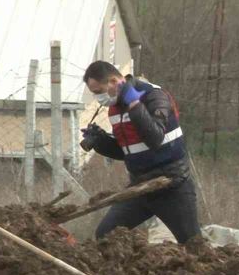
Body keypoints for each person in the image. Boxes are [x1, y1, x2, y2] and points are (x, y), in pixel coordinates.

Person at [80, 61, 201, 244]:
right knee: (106, 235)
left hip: (172, 186)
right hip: (140, 187)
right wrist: (100, 141)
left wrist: (135, 105)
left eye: (99, 92)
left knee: (193, 245)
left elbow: (155, 138)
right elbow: (128, 152)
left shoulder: (154, 96)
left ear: (113, 81)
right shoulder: (114, 110)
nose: (99, 98)